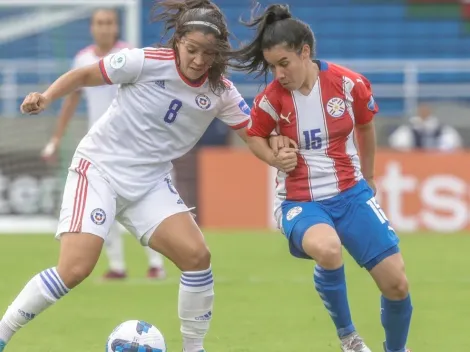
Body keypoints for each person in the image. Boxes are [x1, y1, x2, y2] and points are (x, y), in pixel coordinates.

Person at [0, 1, 296, 351]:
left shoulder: (221, 93)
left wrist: (279, 158)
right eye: (191, 50)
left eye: (208, 53)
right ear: (178, 42)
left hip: (149, 183)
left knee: (197, 258)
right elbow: (82, 76)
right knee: (75, 269)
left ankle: (193, 348)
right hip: (100, 169)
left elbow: (252, 137)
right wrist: (46, 96)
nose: (199, 60)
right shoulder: (146, 61)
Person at [230, 4, 412, 352]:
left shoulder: (348, 84)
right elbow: (253, 135)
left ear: (305, 52)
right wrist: (273, 155)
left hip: (351, 194)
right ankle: (350, 339)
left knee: (397, 284)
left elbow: (366, 124)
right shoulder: (271, 100)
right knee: (328, 249)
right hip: (301, 202)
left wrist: (369, 176)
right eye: (272, 66)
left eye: (284, 63)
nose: (279, 74)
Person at [41, 7, 166, 280]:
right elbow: (72, 99)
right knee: (102, 206)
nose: (105, 27)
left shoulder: (130, 55)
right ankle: (117, 266)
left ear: (116, 27)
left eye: (109, 22)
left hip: (134, 144)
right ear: (92, 28)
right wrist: (56, 138)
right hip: (100, 147)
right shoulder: (82, 60)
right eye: (100, 23)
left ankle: (157, 263)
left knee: (142, 202)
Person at [388, 102, 463, 151]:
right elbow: (396, 146)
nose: (424, 113)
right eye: (422, 110)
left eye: (426, 110)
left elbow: (455, 145)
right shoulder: (407, 130)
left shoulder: (443, 130)